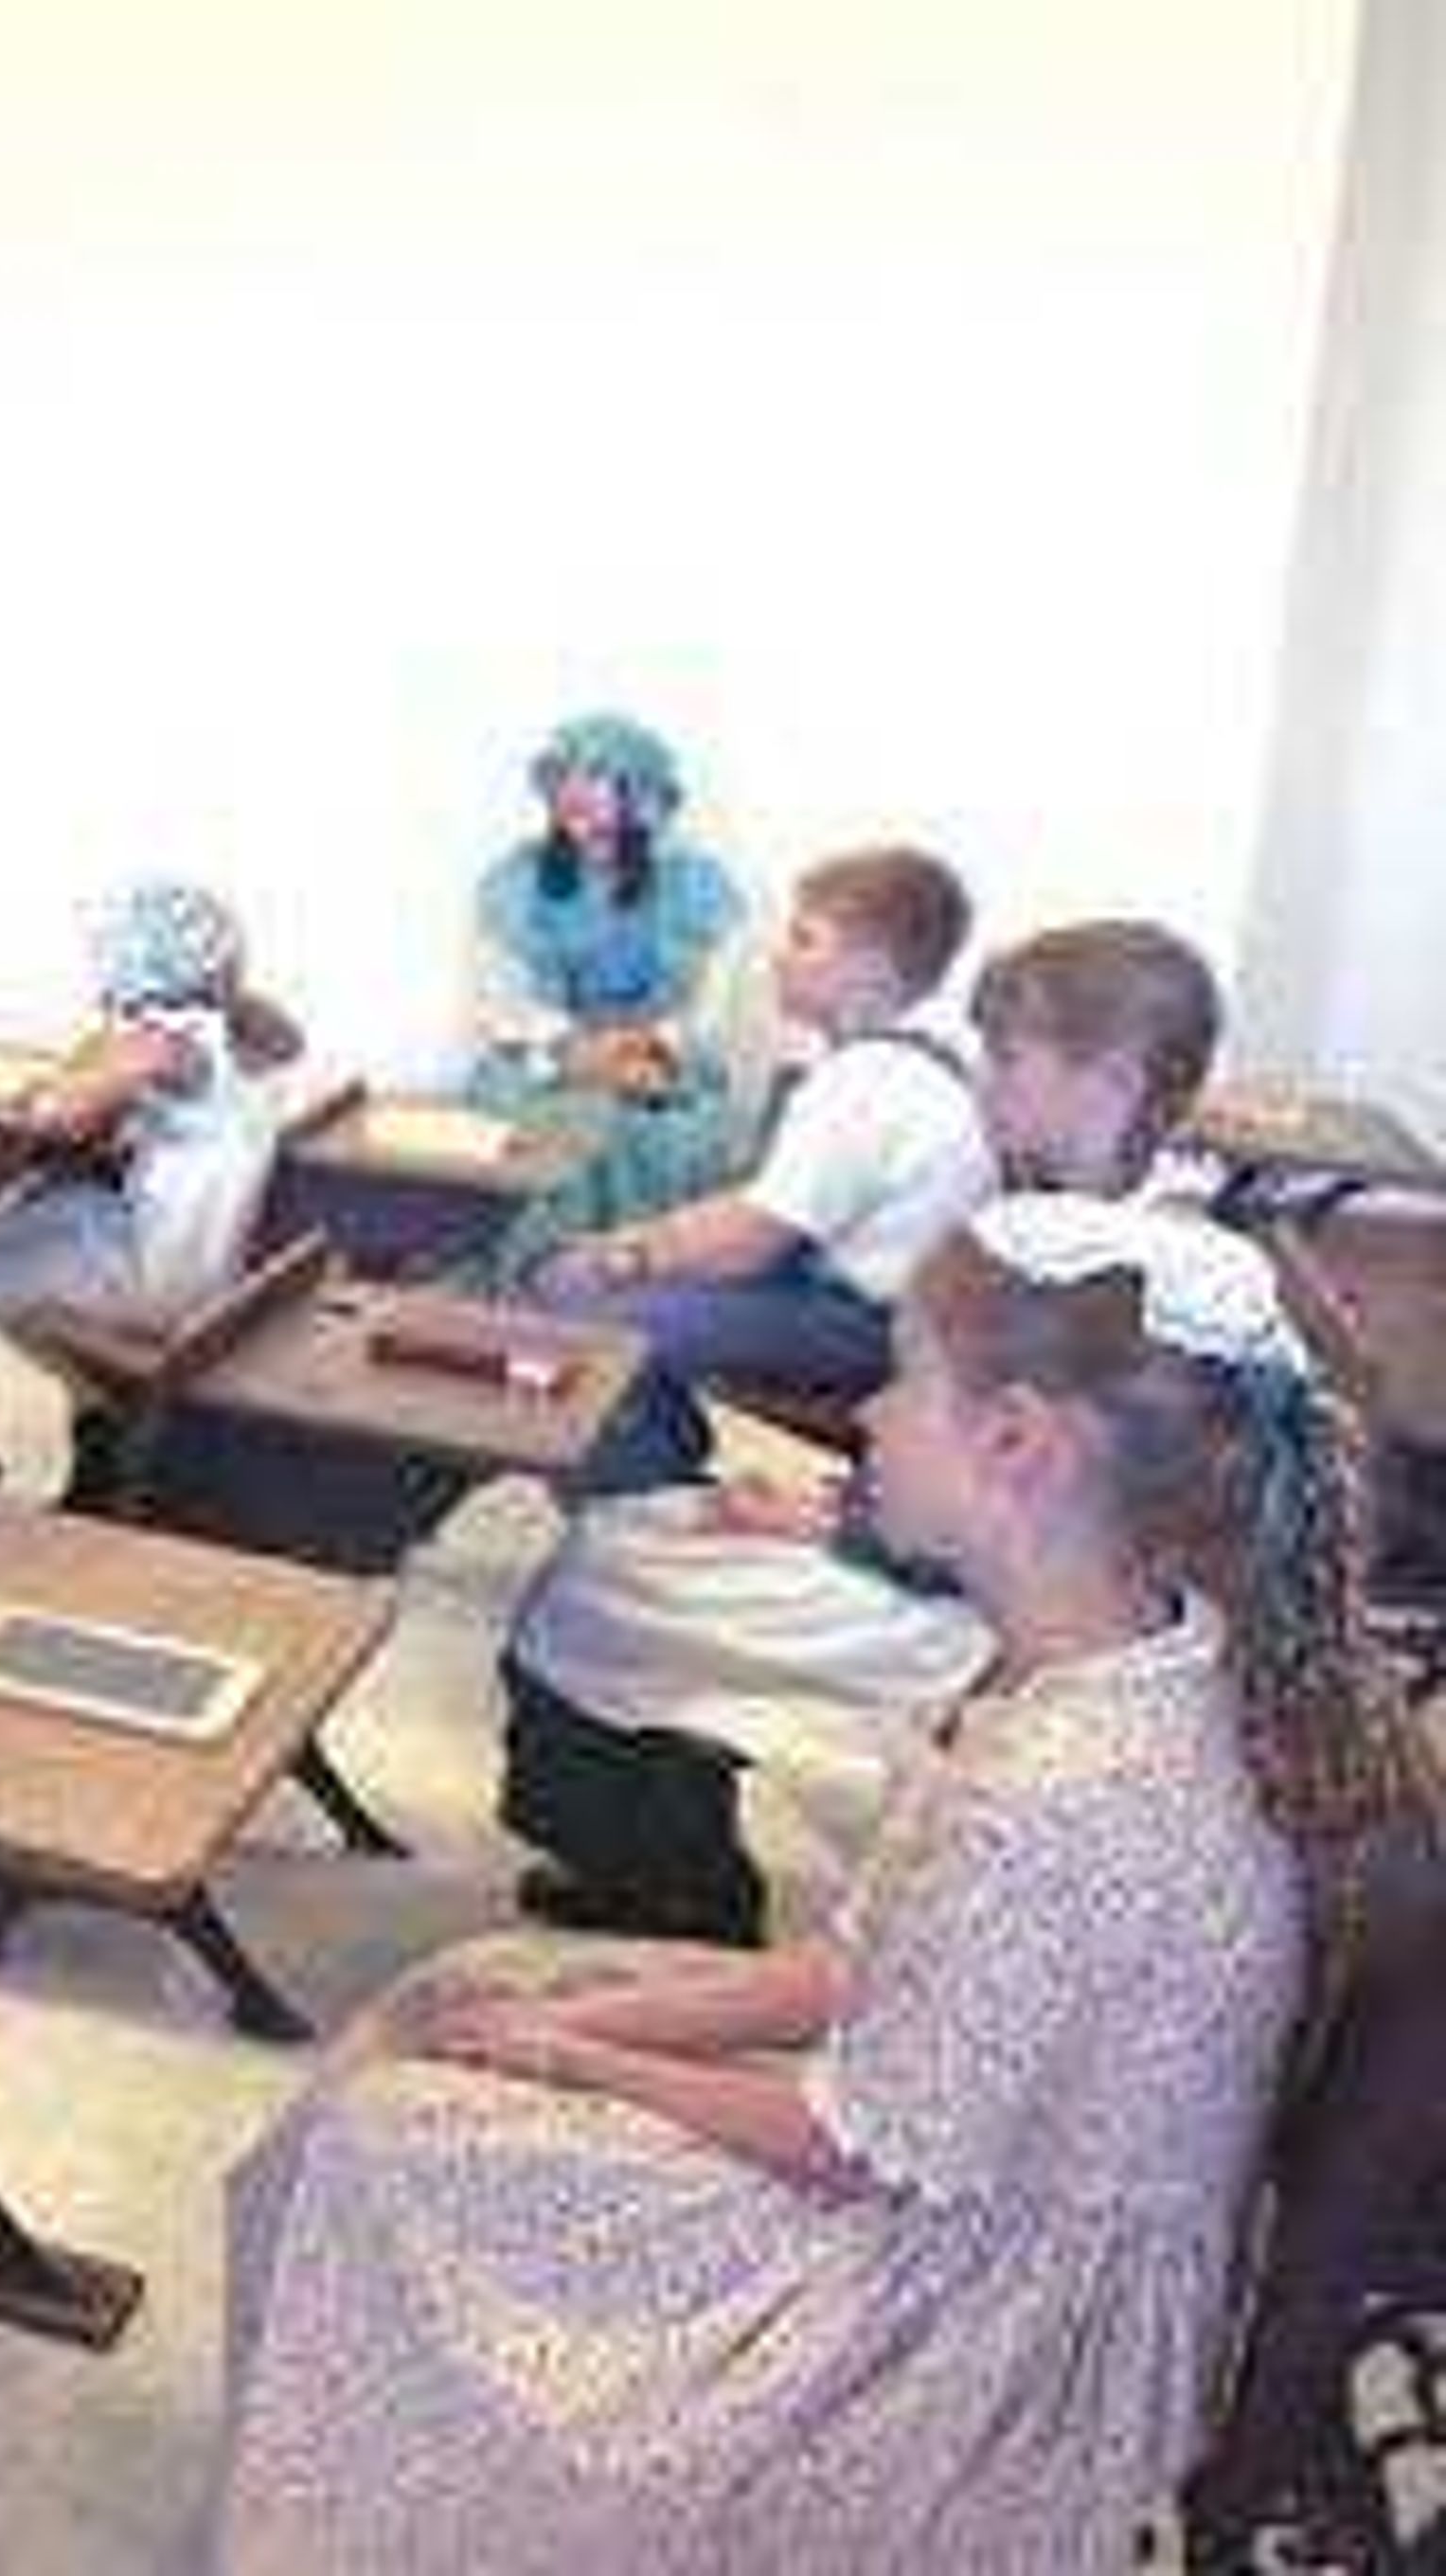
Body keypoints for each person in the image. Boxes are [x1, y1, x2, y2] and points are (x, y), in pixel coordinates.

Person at [210, 1194, 1436, 2575]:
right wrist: (589, 2021)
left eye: (902, 1378)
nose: (866, 1413)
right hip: (958, 2183)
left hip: (981, 2338)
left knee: (399, 2147)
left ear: (1018, 1445)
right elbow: (868, 1961)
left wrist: (573, 2057)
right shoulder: (1122, 1657)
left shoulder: (1074, 1791)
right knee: (466, 1994)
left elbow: (854, 2147)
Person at [501, 921, 1228, 1945]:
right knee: (635, 1539)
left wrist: (826, 1525)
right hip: (993, 1579)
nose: (987, 1088)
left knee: (605, 1572)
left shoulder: (1103, 1267)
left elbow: (1043, 1527)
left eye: (1010, 1058)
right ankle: (669, 1868)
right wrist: (832, 1506)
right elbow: (999, 1476)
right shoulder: (1124, 1223)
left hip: (999, 1624)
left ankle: (672, 1887)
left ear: (1107, 1074)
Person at [535, 844, 995, 1493]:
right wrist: (642, 1243)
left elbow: (747, 1243)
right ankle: (671, 1469)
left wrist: (618, 1255)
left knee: (583, 1312)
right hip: (885, 1304)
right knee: (590, 1281)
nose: (781, 957)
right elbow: (762, 1208)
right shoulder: (923, 1056)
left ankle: (644, 1515)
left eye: (806, 941)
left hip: (872, 1327)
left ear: (869, 968)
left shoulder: (869, 1081)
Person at [466, 713, 753, 1272]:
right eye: (563, 775)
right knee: (534, 1118)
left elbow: (718, 1013)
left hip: (662, 1064)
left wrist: (646, 1050)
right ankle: (529, 1284)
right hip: (548, 1062)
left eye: (598, 776)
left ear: (647, 797)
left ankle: (627, 1292)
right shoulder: (513, 881)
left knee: (669, 1132)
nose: (575, 790)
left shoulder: (700, 886)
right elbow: (501, 1004)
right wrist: (571, 1052)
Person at [0, 878, 295, 1338]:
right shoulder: (248, 1032)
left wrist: (48, 1088)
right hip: (222, 1265)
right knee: (66, 1197)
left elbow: (57, 1115)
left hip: (158, 1276)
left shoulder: (166, 1038)